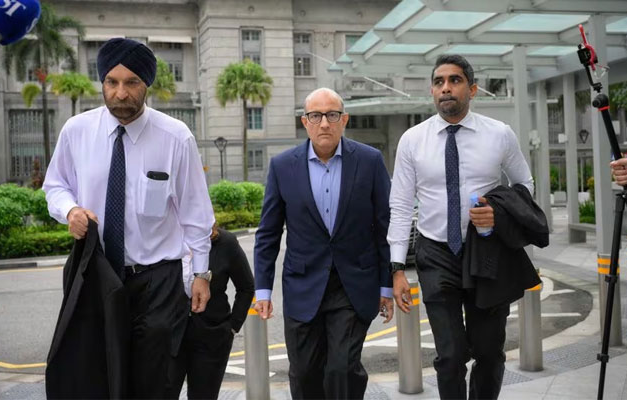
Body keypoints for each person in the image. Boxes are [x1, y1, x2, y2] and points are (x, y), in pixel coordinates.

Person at [43, 38, 215, 399]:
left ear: (147, 84)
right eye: (111, 82)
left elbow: (196, 213)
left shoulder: (175, 137)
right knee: (98, 374)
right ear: (102, 82)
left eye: (131, 82)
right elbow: (55, 186)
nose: (120, 93)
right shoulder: (77, 131)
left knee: (154, 378)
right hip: (97, 274)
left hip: (158, 280)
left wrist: (201, 274)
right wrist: (70, 210)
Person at [388, 54, 535, 399]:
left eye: (454, 81)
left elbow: (525, 185)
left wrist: (499, 215)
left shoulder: (500, 135)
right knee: (450, 355)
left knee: (488, 351)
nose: (446, 88)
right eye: (439, 82)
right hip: (436, 253)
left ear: (473, 89)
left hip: (487, 252)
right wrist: (396, 268)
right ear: (432, 91)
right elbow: (399, 204)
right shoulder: (412, 140)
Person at [254, 87, 393, 399]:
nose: (324, 123)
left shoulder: (369, 161)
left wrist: (386, 285)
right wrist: (262, 289)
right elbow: (267, 234)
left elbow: (385, 227)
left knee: (342, 369)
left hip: (353, 285)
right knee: (304, 373)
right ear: (305, 122)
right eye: (316, 116)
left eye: (332, 115)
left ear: (344, 119)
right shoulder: (282, 166)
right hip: (303, 285)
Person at [169, 223, 255, 399]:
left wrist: (232, 327)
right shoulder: (165, 240)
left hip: (211, 337)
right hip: (168, 335)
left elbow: (246, 287)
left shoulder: (225, 243)